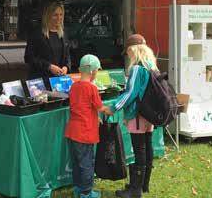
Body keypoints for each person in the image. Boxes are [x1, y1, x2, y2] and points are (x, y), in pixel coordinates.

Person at [109, 34, 158, 198]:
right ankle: (143, 185)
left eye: (128, 51)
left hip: (138, 115)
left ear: (133, 50)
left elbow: (130, 94)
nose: (127, 55)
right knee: (147, 147)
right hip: (150, 114)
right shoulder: (151, 66)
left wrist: (113, 107)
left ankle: (135, 190)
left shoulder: (137, 68)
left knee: (139, 151)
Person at [64, 54, 111, 198]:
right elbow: (99, 107)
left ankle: (78, 188)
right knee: (87, 163)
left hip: (72, 131)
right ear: (93, 71)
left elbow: (81, 106)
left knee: (77, 162)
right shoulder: (92, 88)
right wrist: (109, 109)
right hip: (85, 133)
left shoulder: (74, 86)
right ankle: (87, 192)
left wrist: (95, 116)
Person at [24, 1, 71, 89]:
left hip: (59, 81)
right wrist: (49, 66)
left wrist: (66, 67)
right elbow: (28, 57)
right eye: (55, 15)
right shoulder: (37, 33)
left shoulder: (64, 33)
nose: (59, 18)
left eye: (61, 15)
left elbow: (67, 56)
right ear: (48, 16)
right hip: (40, 81)